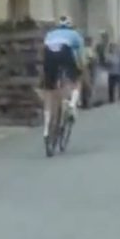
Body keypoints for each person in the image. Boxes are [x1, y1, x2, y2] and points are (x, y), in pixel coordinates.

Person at [41, 15, 84, 143]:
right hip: (65, 52)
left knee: (49, 91)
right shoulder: (75, 34)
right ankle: (72, 104)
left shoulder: (50, 34)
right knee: (76, 81)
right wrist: (80, 68)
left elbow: (44, 49)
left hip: (49, 54)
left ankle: (46, 128)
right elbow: (80, 55)